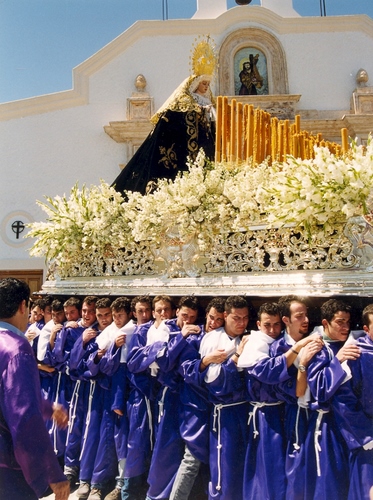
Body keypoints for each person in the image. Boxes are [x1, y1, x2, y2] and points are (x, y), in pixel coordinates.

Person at [111, 38, 216, 195]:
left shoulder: (210, 100)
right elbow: (179, 118)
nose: (206, 86)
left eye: (208, 83)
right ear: (195, 84)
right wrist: (199, 111)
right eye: (203, 83)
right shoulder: (186, 100)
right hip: (189, 145)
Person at [0, 277, 69, 500]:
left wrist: (47, 408)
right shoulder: (16, 349)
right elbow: (24, 416)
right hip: (7, 466)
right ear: (23, 306)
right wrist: (52, 471)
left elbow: (10, 397)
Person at [303, 299, 360, 500]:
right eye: (340, 322)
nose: (345, 327)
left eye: (348, 322)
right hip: (327, 426)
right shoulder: (319, 348)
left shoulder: (352, 342)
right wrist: (338, 360)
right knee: (329, 481)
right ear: (326, 323)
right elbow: (319, 388)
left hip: (350, 425)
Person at [198, 295, 250, 500]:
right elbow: (213, 381)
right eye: (236, 318)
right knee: (223, 464)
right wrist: (235, 358)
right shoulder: (213, 339)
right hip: (224, 411)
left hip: (244, 410)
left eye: (245, 318)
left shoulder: (246, 338)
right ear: (226, 316)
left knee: (241, 463)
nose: (241, 323)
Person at [333, 303, 373, 500]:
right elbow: (343, 399)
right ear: (366, 329)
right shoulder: (355, 354)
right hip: (369, 436)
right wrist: (366, 436)